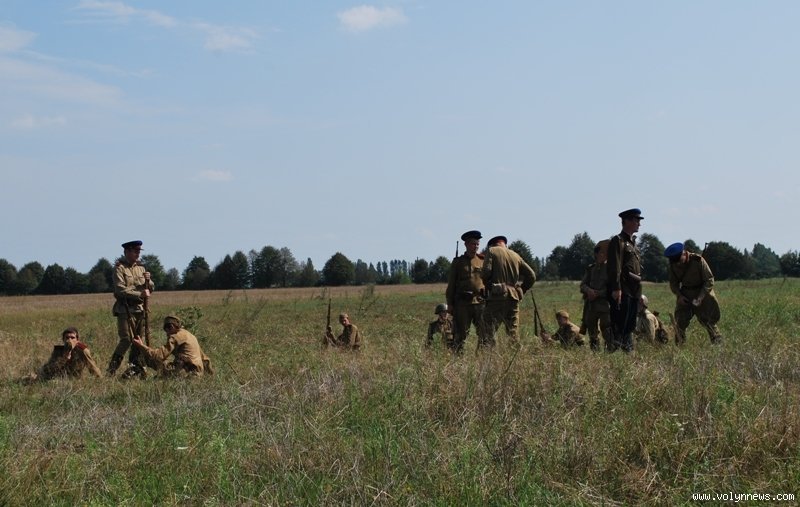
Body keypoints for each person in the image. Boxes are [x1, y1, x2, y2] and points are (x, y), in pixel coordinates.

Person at [107, 240, 154, 378]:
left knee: (139, 340)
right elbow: (120, 290)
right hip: (125, 308)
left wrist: (149, 281)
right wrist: (139, 294)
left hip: (140, 309)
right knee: (126, 339)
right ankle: (111, 370)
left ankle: (135, 369)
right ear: (127, 252)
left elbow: (150, 288)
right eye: (135, 251)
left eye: (139, 251)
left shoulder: (141, 268)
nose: (138, 253)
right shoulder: (119, 268)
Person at [480, 235, 536, 348]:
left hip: (497, 296)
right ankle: (515, 353)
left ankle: (488, 355)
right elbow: (532, 276)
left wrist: (489, 284)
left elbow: (486, 272)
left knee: (488, 330)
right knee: (513, 333)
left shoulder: (492, 251)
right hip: (513, 297)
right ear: (505, 244)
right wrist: (521, 289)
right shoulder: (515, 255)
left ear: (492, 245)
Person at [664, 242, 723, 345]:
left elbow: (709, 280)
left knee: (708, 321)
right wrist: (679, 296)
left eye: (679, 261)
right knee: (680, 322)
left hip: (702, 293)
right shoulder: (673, 264)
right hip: (685, 295)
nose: (678, 264)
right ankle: (680, 346)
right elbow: (673, 283)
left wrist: (700, 297)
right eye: (675, 262)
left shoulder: (698, 260)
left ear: (684, 253)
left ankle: (718, 345)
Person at [607, 208, 644, 353]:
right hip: (623, 289)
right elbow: (614, 266)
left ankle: (628, 351)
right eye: (636, 220)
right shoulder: (618, 241)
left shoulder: (633, 243)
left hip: (634, 289)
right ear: (627, 221)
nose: (639, 224)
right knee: (619, 323)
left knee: (630, 324)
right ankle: (614, 351)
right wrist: (616, 288)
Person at [445, 230, 486, 353]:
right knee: (460, 333)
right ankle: (458, 357)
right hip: (463, 304)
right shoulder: (458, 262)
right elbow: (451, 284)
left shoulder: (482, 260)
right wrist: (450, 303)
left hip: (480, 302)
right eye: (473, 244)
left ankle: (482, 356)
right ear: (466, 244)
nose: (476, 246)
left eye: (477, 244)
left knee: (484, 332)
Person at [132, 316, 212, 376]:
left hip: (186, 373)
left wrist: (141, 346)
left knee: (150, 358)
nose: (167, 334)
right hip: (197, 373)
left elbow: (158, 355)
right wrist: (209, 375)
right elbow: (205, 359)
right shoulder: (190, 335)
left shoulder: (175, 337)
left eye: (167, 330)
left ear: (171, 327)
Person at [32, 327, 103, 381]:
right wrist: (63, 359)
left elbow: (92, 366)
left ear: (77, 340)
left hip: (73, 379)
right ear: (63, 339)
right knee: (33, 377)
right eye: (67, 337)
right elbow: (49, 368)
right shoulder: (58, 350)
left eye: (72, 337)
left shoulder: (82, 350)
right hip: (58, 377)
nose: (69, 340)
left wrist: (100, 380)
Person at [579, 240, 612, 351]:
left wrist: (598, 293)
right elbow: (583, 285)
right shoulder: (591, 268)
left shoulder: (611, 269)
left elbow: (614, 288)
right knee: (592, 331)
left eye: (605, 253)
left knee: (607, 330)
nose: (604, 255)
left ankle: (610, 351)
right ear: (596, 254)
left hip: (605, 305)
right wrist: (588, 291)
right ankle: (595, 353)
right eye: (602, 253)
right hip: (591, 306)